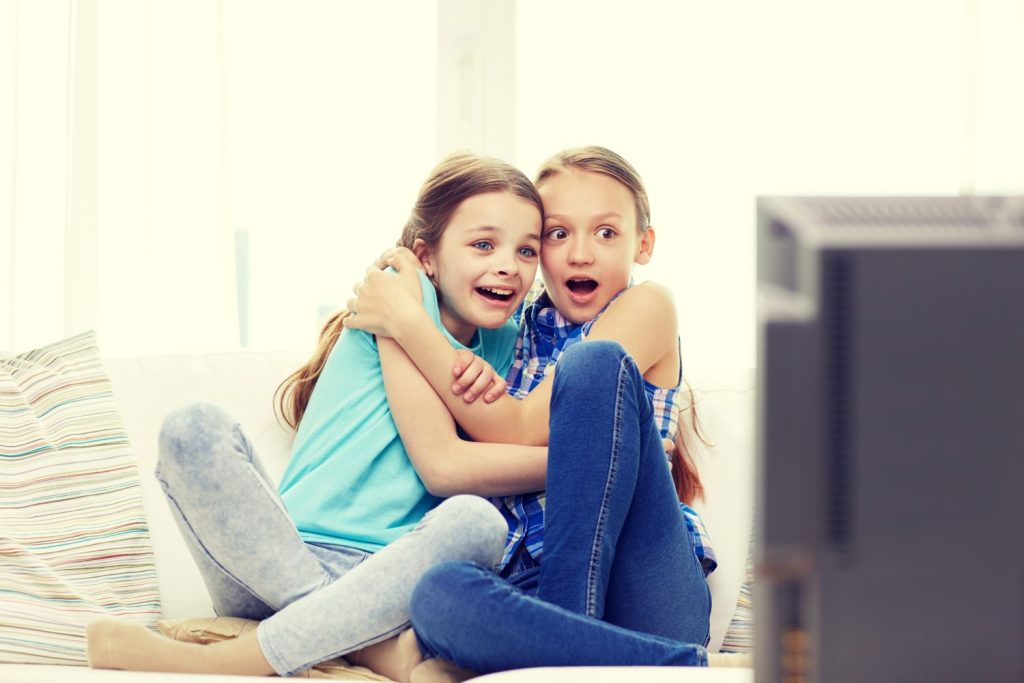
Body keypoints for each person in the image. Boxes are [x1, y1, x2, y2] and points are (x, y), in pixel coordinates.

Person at [84, 152, 550, 682]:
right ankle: (365, 647)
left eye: (527, 250)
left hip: (391, 576)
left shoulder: (516, 345)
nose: (509, 265)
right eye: (483, 244)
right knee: (191, 427)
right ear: (427, 256)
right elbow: (438, 464)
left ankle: (259, 649)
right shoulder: (399, 291)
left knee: (477, 522)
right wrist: (572, 463)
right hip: (279, 557)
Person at [344, 146, 719, 675]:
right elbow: (448, 457)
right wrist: (410, 290)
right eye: (558, 234)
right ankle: (659, 665)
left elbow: (520, 426)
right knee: (437, 595)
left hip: (647, 589)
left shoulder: (648, 307)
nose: (580, 254)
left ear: (644, 244)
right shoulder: (513, 329)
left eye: (606, 233)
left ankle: (564, 655)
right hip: (528, 579)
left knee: (592, 365)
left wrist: (407, 321)